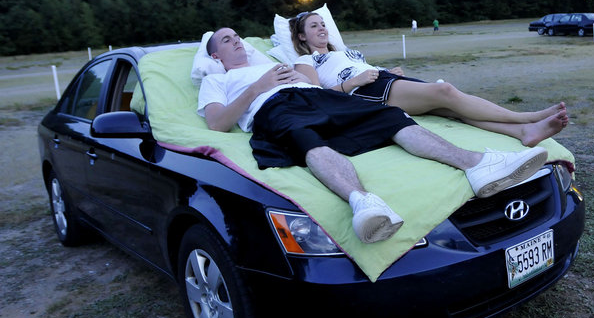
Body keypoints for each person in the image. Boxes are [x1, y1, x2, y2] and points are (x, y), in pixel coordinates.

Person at [198, 27, 550, 244]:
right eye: (228, 40)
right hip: (274, 108)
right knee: (304, 138)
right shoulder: (218, 79)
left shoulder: (269, 63)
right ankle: (362, 202)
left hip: (317, 97)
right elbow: (217, 123)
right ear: (216, 54)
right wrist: (258, 86)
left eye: (238, 37)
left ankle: (477, 164)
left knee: (388, 115)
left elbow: (318, 80)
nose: (238, 42)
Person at [289, 12, 569, 148]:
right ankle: (526, 118)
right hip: (362, 93)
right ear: (302, 36)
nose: (322, 28)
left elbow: (361, 68)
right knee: (445, 91)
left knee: (450, 109)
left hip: (380, 81)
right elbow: (316, 96)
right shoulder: (306, 60)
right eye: (314, 26)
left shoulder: (342, 52)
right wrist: (354, 82)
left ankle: (523, 134)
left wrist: (384, 70)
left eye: (323, 23)